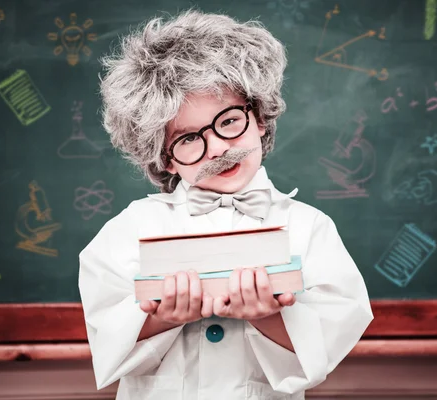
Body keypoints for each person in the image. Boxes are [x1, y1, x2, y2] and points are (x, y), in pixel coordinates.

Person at [78, 9, 373, 400]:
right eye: (187, 140)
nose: (217, 148)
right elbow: (107, 334)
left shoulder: (310, 228)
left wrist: (268, 315)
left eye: (229, 121)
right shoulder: (127, 230)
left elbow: (331, 335)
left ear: (260, 117)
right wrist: (162, 317)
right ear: (164, 158)